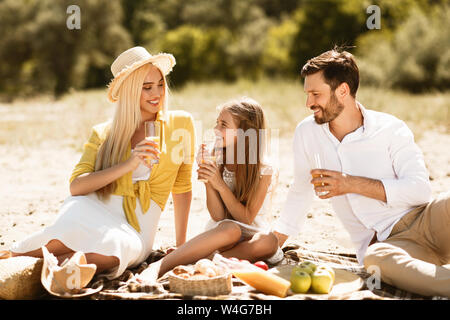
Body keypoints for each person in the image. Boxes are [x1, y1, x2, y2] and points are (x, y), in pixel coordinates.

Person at [0, 47, 195, 285]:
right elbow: (77, 187)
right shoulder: (104, 133)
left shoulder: (181, 124)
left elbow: (182, 187)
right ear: (130, 91)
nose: (157, 94)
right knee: (70, 224)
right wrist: (129, 164)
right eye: (146, 87)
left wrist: (182, 245)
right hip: (96, 208)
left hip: (136, 231)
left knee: (113, 252)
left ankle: (29, 264)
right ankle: (18, 260)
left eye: (160, 84)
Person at [273, 47, 450, 297]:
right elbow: (301, 190)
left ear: (343, 91)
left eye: (315, 94)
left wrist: (351, 184)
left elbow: (420, 190)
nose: (309, 103)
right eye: (307, 94)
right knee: (375, 260)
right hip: (389, 246)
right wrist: (274, 243)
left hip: (427, 220)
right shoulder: (307, 133)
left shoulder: (390, 128)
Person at [137, 97, 284, 281]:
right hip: (224, 233)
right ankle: (161, 266)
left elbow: (246, 218)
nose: (216, 129)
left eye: (224, 125)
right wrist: (208, 180)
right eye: (217, 123)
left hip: (251, 236)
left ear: (245, 132)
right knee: (231, 228)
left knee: (269, 241)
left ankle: (197, 261)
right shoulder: (217, 157)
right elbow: (218, 216)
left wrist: (219, 184)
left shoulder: (264, 169)